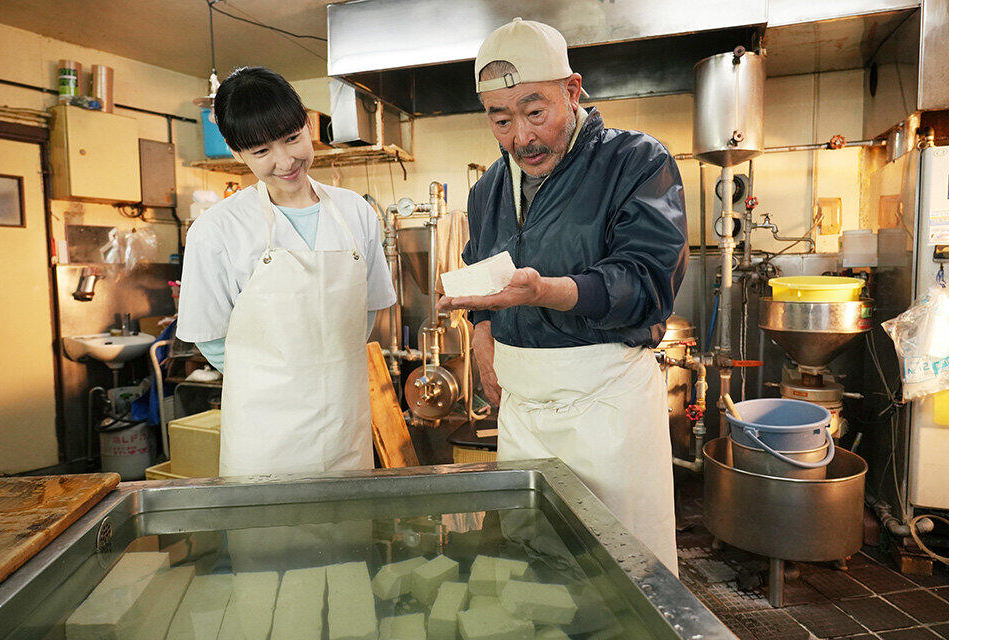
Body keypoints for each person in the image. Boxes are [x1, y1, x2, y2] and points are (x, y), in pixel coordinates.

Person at [438, 18, 688, 574]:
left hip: (605, 406)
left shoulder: (635, 162)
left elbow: (648, 282)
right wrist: (480, 330)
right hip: (523, 410)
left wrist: (548, 291)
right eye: (501, 120)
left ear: (572, 91)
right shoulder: (488, 190)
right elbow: (482, 269)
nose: (520, 137)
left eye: (535, 112)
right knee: (531, 567)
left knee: (618, 570)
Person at [177, 67, 396, 478]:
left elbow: (367, 312)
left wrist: (325, 371)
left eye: (293, 138)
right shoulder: (217, 230)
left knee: (348, 537)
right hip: (264, 438)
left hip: (344, 431)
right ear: (235, 151)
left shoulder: (356, 213)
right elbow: (209, 335)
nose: (285, 161)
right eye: (261, 152)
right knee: (266, 539)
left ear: (307, 124)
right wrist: (278, 379)